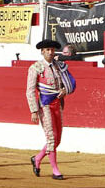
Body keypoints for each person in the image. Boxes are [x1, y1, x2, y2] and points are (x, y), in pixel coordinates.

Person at [25, 40, 76, 180]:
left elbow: (69, 82)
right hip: (45, 105)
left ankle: (37, 158)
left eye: (52, 50)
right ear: (42, 51)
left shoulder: (59, 66)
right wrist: (34, 110)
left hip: (58, 103)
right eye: (47, 50)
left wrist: (65, 90)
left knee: (57, 138)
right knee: (51, 137)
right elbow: (30, 91)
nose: (50, 52)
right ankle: (55, 169)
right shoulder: (35, 67)